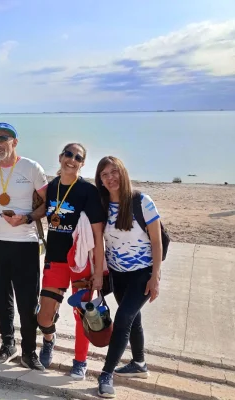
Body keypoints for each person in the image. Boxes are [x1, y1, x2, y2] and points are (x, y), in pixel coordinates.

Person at [0, 122, 48, 371]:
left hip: (26, 243)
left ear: (14, 142)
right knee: (1, 298)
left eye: (2, 139)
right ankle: (8, 345)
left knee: (27, 301)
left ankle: (29, 351)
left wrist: (27, 217)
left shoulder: (31, 167)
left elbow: (48, 203)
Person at [34, 143, 106, 378]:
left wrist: (97, 273)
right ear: (60, 156)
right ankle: (49, 339)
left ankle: (80, 362)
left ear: (82, 164)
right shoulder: (53, 186)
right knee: (43, 317)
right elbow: (41, 206)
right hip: (55, 259)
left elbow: (97, 235)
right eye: (68, 154)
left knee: (82, 315)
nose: (71, 159)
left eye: (78, 157)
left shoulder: (88, 191)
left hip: (80, 262)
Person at [94, 156, 163, 399]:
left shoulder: (141, 201)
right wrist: (99, 276)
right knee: (133, 318)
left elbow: (156, 242)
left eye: (114, 172)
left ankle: (106, 374)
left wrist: (155, 277)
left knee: (123, 318)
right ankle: (139, 364)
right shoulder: (102, 205)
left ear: (123, 173)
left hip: (142, 275)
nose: (110, 178)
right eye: (104, 175)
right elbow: (100, 243)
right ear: (100, 181)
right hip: (117, 275)